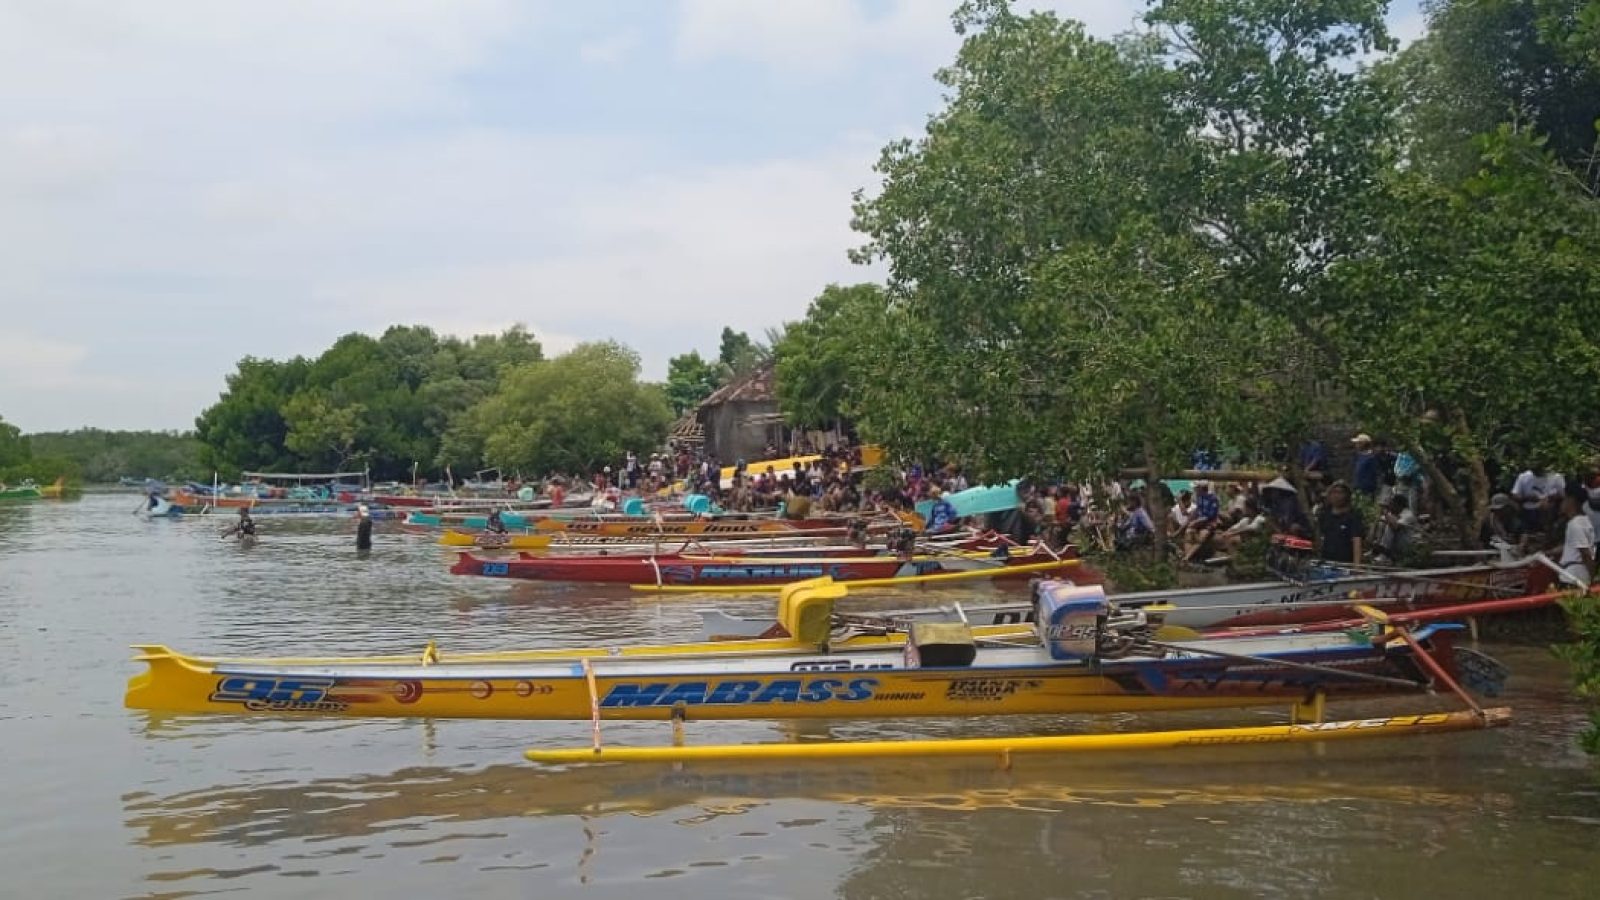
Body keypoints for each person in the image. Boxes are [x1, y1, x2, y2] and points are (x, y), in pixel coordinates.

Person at [1315, 481, 1363, 564]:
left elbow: (1357, 540)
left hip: (1344, 564)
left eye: (1340, 492)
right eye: (1334, 492)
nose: (1336, 495)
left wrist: (1357, 566)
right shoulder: (1324, 514)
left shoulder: (1353, 517)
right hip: (1325, 562)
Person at [1556, 493, 1594, 588]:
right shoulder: (1587, 521)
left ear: (1571, 501)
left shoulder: (1575, 523)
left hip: (1573, 576)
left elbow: (1585, 553)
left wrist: (1592, 577)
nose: (1561, 504)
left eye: (1564, 500)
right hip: (1579, 575)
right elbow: (1573, 545)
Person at [1371, 495, 1419, 563]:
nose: (1390, 506)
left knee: (1390, 526)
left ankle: (1384, 554)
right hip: (1395, 544)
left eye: (1392, 504)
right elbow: (1380, 520)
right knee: (1382, 523)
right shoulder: (1394, 513)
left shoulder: (1408, 515)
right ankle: (1379, 550)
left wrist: (1386, 513)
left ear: (1398, 505)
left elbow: (1396, 526)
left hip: (1406, 545)